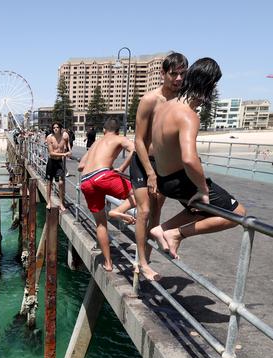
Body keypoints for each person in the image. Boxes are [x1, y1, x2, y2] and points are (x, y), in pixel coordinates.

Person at [149, 58, 246, 260]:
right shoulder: (188, 115)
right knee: (238, 214)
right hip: (181, 181)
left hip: (164, 180)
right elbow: (189, 159)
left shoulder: (164, 107)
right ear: (207, 85)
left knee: (202, 210)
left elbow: (155, 147)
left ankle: (162, 229)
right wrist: (202, 189)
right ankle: (176, 233)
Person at [133, 52, 188, 281]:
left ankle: (148, 260)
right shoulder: (150, 100)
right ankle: (141, 262)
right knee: (144, 211)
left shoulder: (183, 100)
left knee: (156, 214)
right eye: (173, 74)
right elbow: (138, 140)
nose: (177, 79)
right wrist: (150, 173)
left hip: (165, 165)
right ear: (163, 73)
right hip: (143, 162)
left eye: (182, 74)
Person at [77, 118, 135, 272]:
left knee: (101, 224)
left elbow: (80, 166)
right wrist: (121, 167)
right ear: (118, 130)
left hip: (86, 181)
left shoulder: (96, 143)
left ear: (103, 130)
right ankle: (118, 211)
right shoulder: (119, 138)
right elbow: (135, 150)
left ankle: (108, 263)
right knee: (139, 195)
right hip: (102, 176)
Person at [45, 122, 71, 211]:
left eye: (57, 127)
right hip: (51, 161)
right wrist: (64, 154)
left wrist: (69, 150)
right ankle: (48, 202)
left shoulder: (64, 136)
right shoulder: (49, 137)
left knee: (61, 182)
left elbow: (68, 143)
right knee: (49, 182)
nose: (55, 129)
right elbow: (51, 153)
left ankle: (61, 203)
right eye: (54, 127)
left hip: (59, 162)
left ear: (60, 128)